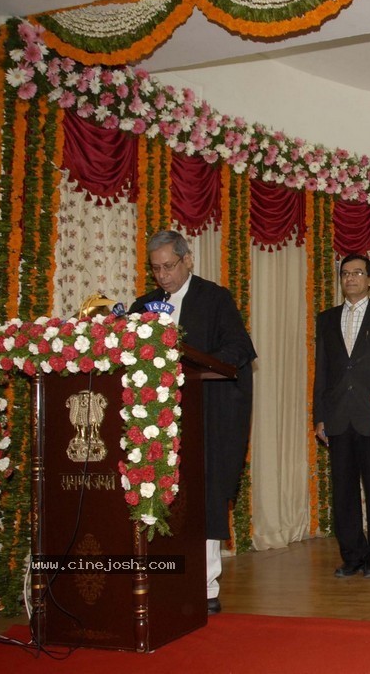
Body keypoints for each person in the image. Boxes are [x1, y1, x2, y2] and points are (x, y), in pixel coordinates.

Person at [130, 230, 257, 616]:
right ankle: (158, 578)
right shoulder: (144, 305)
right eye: (156, 269)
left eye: (169, 266)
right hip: (154, 421)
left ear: (188, 261)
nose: (163, 276)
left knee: (203, 499)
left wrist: (190, 364)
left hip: (203, 419)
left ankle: (206, 586)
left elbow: (238, 350)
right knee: (157, 499)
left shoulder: (214, 299)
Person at [313, 254, 370, 580]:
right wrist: (319, 417)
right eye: (345, 273)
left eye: (357, 273)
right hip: (338, 416)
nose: (350, 278)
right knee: (343, 492)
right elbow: (321, 373)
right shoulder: (326, 319)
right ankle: (351, 555)